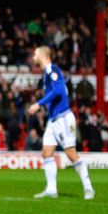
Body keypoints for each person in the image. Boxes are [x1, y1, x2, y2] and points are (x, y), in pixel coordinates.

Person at [27, 46, 95, 199]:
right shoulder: (47, 74)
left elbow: (59, 91)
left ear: (43, 56)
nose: (34, 57)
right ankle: (51, 189)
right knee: (46, 153)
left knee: (71, 154)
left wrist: (39, 104)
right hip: (53, 119)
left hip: (63, 118)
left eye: (36, 54)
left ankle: (88, 187)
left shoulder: (53, 70)